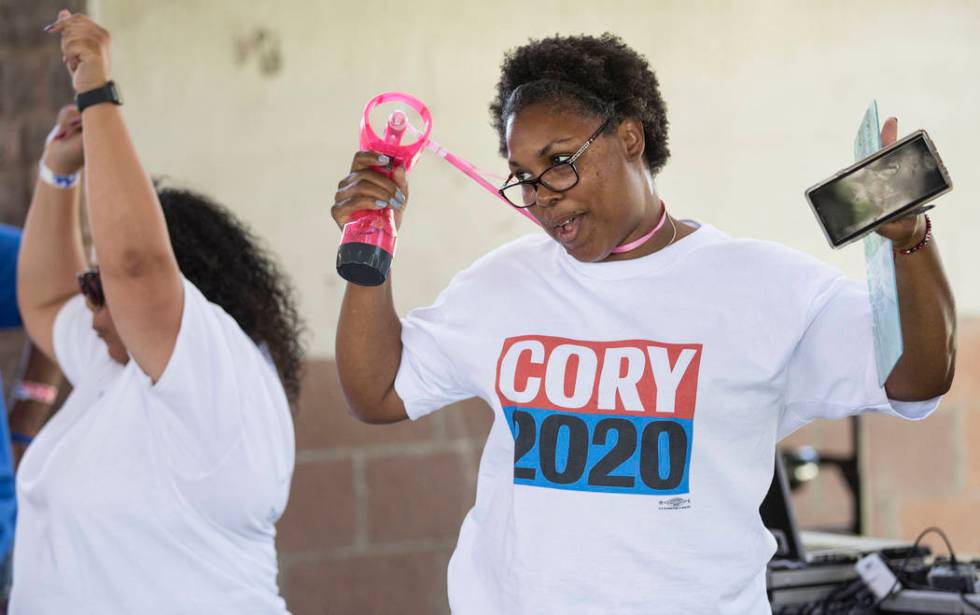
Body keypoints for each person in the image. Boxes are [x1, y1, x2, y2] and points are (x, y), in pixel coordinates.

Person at [332, 33, 956, 614]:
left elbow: (917, 377)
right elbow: (378, 393)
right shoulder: (503, 285)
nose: (541, 194)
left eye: (558, 161)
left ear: (629, 138)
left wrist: (909, 239)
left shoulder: (762, 286)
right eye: (523, 177)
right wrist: (372, 246)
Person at [13, 11, 304, 613]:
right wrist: (56, 172)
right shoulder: (121, 370)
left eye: (98, 283)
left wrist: (97, 94)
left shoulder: (211, 371)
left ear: (188, 289)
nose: (90, 300)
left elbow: (138, 265)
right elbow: (45, 302)